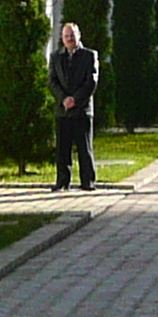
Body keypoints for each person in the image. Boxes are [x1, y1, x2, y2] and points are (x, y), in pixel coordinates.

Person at [47, 20, 100, 192]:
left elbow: (91, 82)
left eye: (72, 35)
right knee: (63, 149)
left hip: (82, 109)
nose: (69, 38)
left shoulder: (89, 55)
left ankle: (88, 181)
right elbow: (52, 81)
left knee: (84, 148)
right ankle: (62, 181)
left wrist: (75, 100)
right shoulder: (56, 57)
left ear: (79, 36)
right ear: (62, 38)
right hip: (63, 110)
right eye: (66, 36)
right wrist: (63, 99)